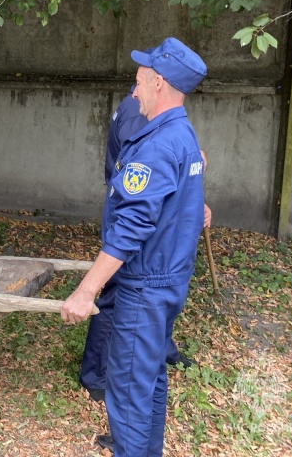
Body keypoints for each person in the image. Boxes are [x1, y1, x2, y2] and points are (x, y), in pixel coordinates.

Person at [61, 37, 208, 456]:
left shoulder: (159, 145)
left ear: (158, 83)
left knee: (126, 388)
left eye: (140, 80)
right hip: (166, 281)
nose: (135, 89)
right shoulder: (181, 133)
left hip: (144, 287)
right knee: (149, 378)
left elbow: (131, 227)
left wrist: (86, 289)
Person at [79, 88, 211, 403]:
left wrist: (192, 201)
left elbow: (167, 175)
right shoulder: (137, 112)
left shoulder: (164, 120)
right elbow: (143, 176)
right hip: (132, 221)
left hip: (152, 234)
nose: (138, 89)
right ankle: (96, 373)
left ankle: (159, 350)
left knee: (149, 310)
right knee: (113, 296)